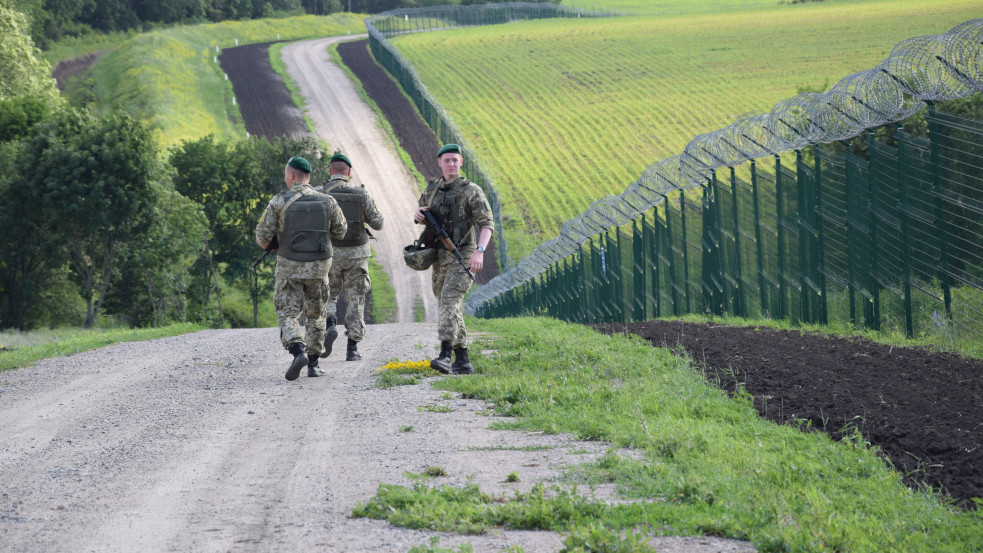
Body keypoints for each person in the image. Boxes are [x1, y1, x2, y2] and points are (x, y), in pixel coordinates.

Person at [255, 156, 347, 381]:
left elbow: (262, 236)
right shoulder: (328, 201)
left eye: (287, 175)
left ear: (292, 176)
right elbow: (341, 232)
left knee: (287, 312)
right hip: (319, 268)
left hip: (290, 267)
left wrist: (274, 245)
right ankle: (314, 364)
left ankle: (297, 350)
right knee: (317, 314)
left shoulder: (278, 201)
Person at [413, 143, 494, 375]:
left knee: (449, 299)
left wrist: (480, 251)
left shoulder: (472, 191)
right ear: (439, 163)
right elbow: (422, 211)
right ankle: (463, 359)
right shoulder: (432, 189)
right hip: (439, 256)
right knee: (448, 305)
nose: (451, 164)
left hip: (464, 255)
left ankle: (445, 354)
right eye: (446, 160)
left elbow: (487, 224)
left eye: (455, 160)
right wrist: (418, 214)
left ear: (461, 163)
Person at [315, 150, 385, 362]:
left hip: (329, 254)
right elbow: (378, 223)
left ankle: (329, 324)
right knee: (355, 299)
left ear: (330, 171)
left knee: (327, 294)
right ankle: (352, 348)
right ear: (349, 172)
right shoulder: (361, 194)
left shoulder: (319, 193)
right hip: (357, 255)